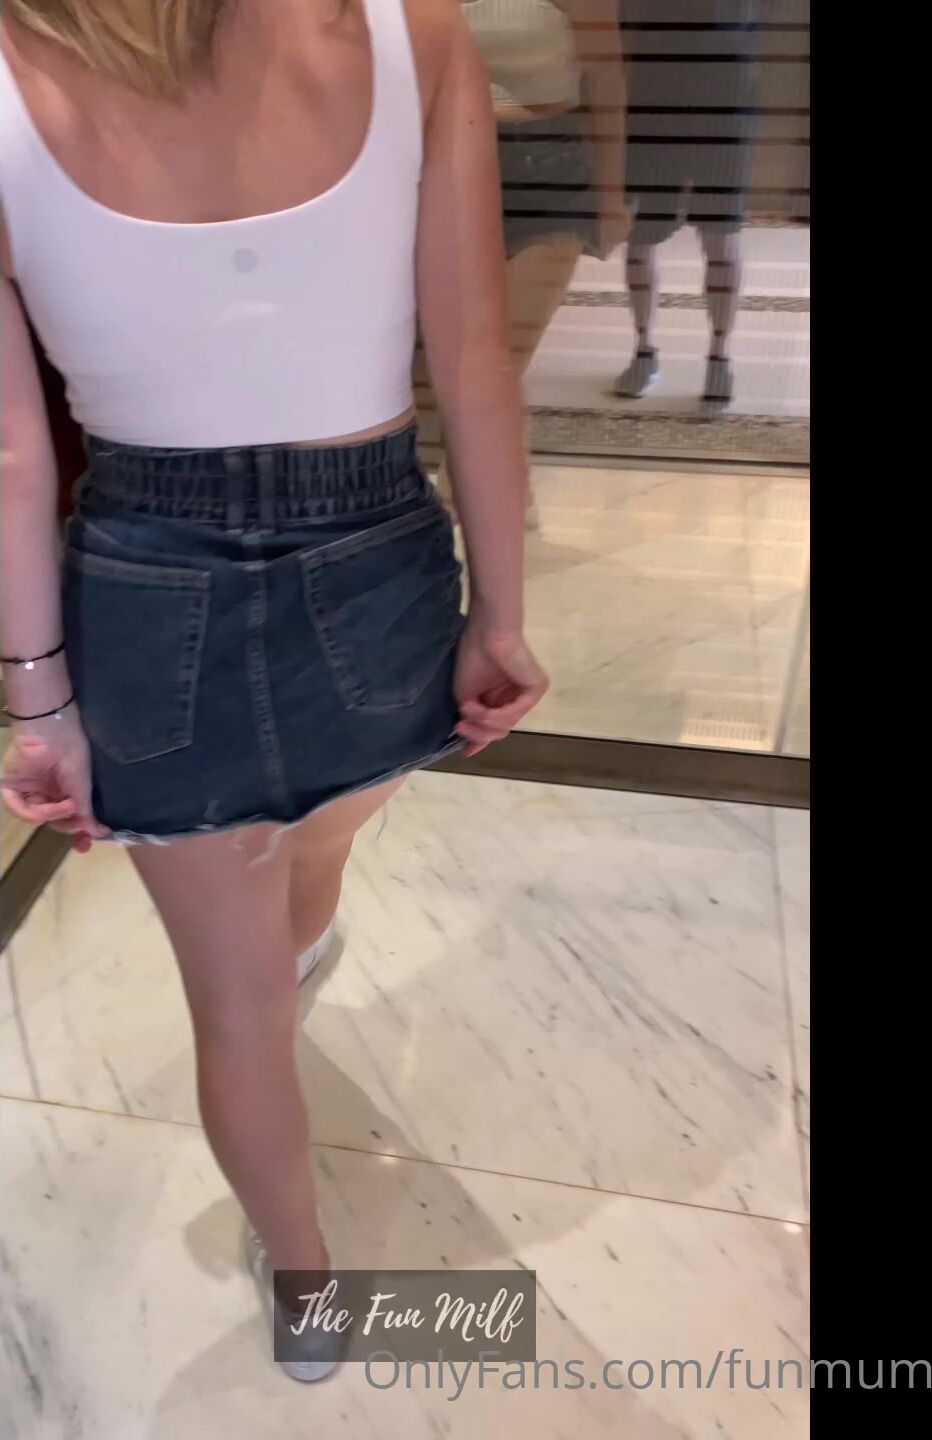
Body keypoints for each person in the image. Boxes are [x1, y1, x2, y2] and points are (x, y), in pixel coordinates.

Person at [0, 0, 547, 1382]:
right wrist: (500, 613)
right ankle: (302, 937)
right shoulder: (410, 30)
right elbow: (475, 355)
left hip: (144, 581)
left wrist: (40, 707)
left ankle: (308, 1290)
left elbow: (10, 455)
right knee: (324, 824)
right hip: (378, 558)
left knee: (235, 1008)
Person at [436, 0, 627, 525]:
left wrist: (610, 194)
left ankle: (458, 501)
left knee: (500, 356)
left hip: (548, 170)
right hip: (449, 169)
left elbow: (606, 79)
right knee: (476, 353)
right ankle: (509, 487)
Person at [614, 0, 762, 407]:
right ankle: (644, 349)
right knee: (641, 234)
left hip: (728, 96)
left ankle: (720, 357)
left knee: (720, 235)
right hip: (654, 95)